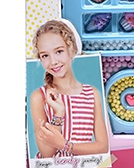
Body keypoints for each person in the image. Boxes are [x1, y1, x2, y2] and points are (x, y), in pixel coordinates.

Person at [30, 19, 109, 157]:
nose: (53, 61)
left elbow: (103, 147)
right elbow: (47, 154)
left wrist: (64, 145)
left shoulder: (91, 93)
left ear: (71, 50)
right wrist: (58, 113)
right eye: (45, 55)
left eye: (59, 51)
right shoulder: (39, 96)